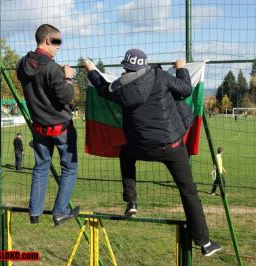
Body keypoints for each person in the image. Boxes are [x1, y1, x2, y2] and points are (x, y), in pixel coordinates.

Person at [85, 49, 222, 257]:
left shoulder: (119, 88)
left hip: (141, 147)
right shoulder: (159, 76)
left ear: (125, 67)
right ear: (145, 64)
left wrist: (91, 70)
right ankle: (204, 242)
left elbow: (102, 88)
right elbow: (185, 90)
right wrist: (181, 68)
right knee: (189, 192)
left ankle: (131, 201)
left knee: (126, 154)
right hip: (172, 146)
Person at [16, 24, 80, 225]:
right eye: (57, 42)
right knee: (69, 168)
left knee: (41, 167)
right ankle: (60, 211)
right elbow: (66, 97)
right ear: (47, 41)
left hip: (39, 127)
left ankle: (35, 212)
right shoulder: (53, 69)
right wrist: (67, 78)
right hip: (61, 127)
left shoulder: (21, 64)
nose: (58, 47)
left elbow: (37, 82)